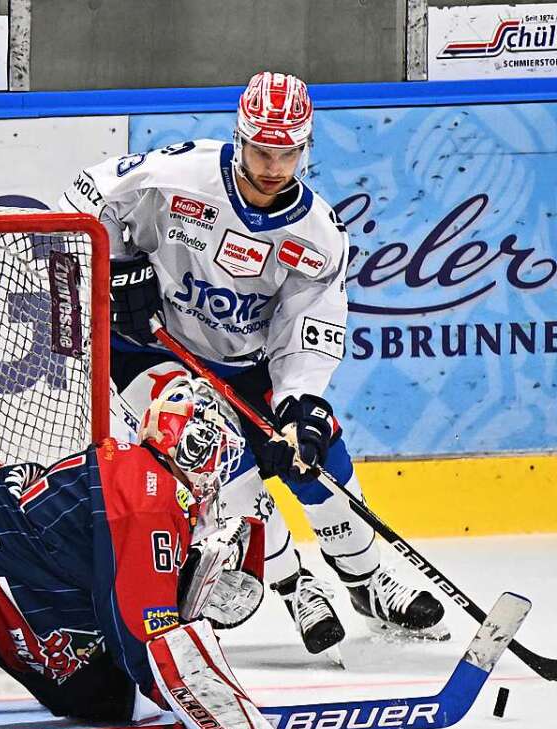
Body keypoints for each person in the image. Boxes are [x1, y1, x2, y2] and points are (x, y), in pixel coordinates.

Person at [58, 71, 445, 654]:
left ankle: (367, 580)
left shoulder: (318, 233)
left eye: (285, 152)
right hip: (150, 349)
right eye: (261, 149)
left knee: (319, 457)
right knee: (214, 454)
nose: (271, 165)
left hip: (246, 359)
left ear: (304, 149)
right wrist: (118, 266)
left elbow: (308, 327)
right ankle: (295, 586)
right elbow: (85, 197)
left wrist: (301, 403)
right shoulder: (176, 174)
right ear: (239, 139)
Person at [0, 375, 280, 729]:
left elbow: (126, 595)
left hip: (21, 602)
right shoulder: (146, 493)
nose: (220, 465)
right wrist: (198, 705)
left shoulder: (152, 488)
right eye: (218, 450)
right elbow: (139, 625)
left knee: (113, 699)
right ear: (191, 443)